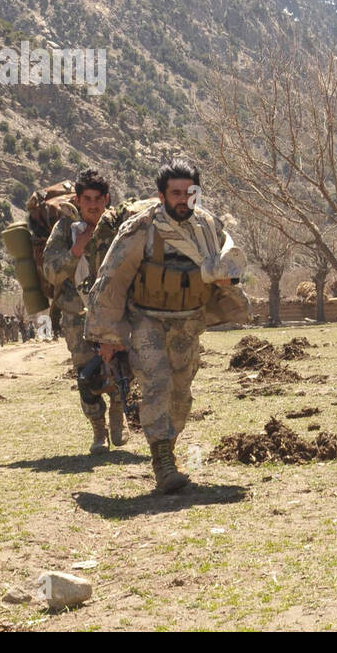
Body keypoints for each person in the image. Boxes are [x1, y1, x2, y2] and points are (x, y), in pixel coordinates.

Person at [85, 160, 249, 493]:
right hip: (148, 320)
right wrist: (107, 335)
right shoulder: (141, 229)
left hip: (188, 322)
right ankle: (163, 463)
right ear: (161, 196)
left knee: (180, 395)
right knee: (156, 383)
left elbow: (228, 265)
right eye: (175, 193)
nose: (183, 199)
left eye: (190, 193)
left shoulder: (209, 228)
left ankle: (167, 451)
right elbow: (112, 280)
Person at [43, 168, 127, 455]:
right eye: (86, 199)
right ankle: (98, 430)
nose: (92, 205)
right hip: (76, 314)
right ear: (78, 200)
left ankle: (118, 412)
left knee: (120, 366)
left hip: (113, 312)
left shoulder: (117, 226)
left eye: (98, 199)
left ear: (106, 199)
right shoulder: (65, 230)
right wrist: (76, 250)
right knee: (86, 373)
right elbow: (51, 271)